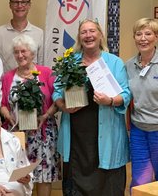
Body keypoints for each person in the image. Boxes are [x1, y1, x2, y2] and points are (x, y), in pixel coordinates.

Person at [52, 19, 131, 196]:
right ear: (79, 37)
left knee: (107, 185)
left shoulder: (114, 62)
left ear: (100, 34)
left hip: (106, 135)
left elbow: (126, 95)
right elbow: (56, 91)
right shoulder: (70, 61)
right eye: (84, 32)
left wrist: (110, 101)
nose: (88, 35)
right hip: (76, 136)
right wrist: (63, 106)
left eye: (92, 31)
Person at [0, 34, 60, 196]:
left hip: (43, 133)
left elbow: (58, 100)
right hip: (17, 134)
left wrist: (46, 115)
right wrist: (7, 116)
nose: (20, 56)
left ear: (32, 53)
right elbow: (2, 104)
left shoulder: (46, 73)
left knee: (43, 175)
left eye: (24, 51)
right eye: (16, 52)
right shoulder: (8, 77)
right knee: (19, 175)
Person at [125, 18, 158, 188]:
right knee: (140, 180)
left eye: (148, 33)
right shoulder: (129, 65)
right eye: (139, 34)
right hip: (138, 131)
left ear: (156, 37)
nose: (143, 38)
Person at [0, 0, 44, 72]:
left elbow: (42, 64)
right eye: (16, 2)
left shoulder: (40, 34)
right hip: (5, 83)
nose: (20, 6)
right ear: (10, 5)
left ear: (29, 5)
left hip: (32, 83)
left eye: (24, 2)